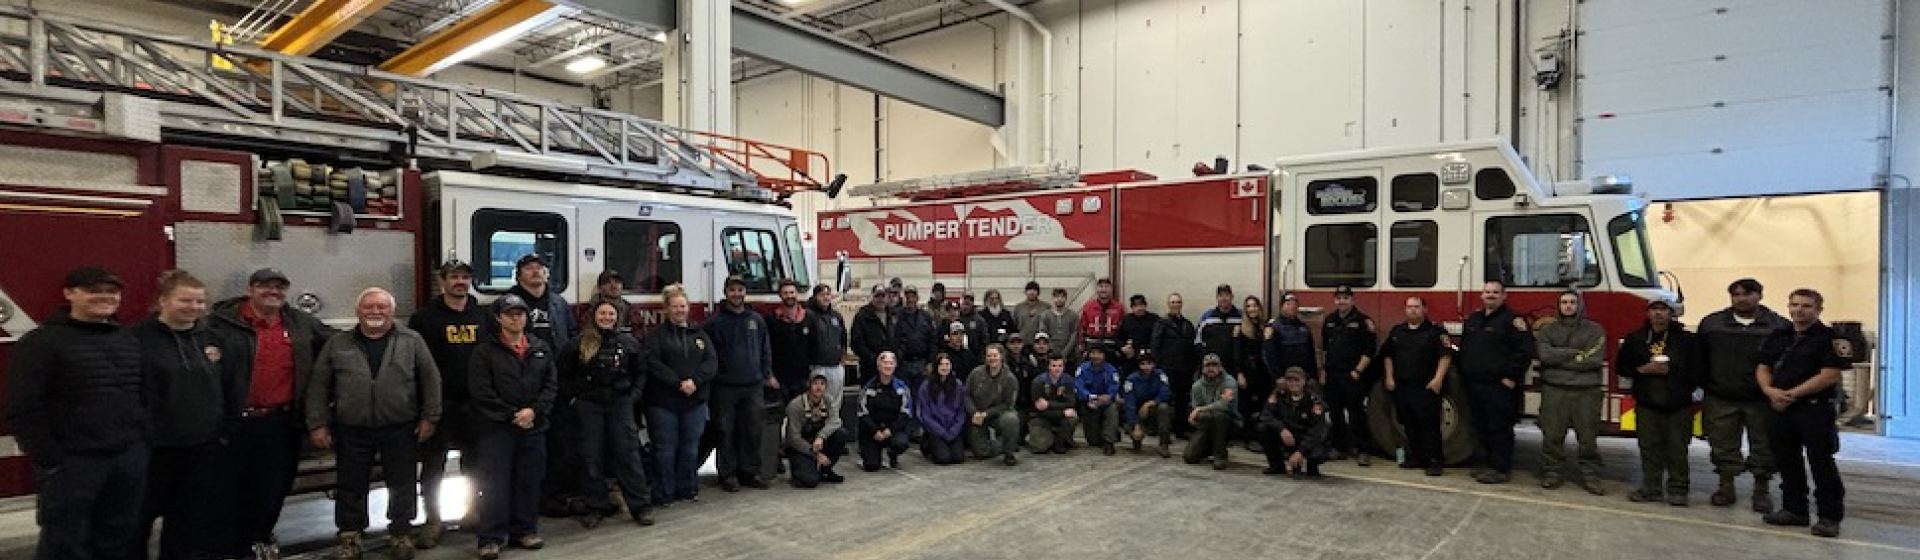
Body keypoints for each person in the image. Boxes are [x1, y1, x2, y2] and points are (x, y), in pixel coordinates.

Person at [5, 266, 147, 560]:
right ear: (70, 294)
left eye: (112, 292)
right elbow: (22, 405)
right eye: (94, 290)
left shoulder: (127, 339)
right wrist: (50, 459)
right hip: (73, 463)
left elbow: (141, 394)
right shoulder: (42, 342)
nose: (105, 297)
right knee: (65, 541)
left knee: (118, 536)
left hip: (125, 458)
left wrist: (139, 444)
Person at [210, 267, 336, 560]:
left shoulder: (299, 323)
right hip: (234, 422)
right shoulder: (221, 324)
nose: (274, 292)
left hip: (281, 422)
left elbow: (337, 341)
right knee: (228, 487)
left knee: (273, 487)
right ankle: (230, 546)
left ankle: (259, 539)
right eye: (266, 286)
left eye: (279, 287)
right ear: (250, 289)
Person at [306, 288, 441, 560]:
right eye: (369, 307)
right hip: (352, 427)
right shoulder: (338, 343)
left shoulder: (412, 340)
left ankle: (401, 533)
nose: (375, 312)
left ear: (392, 311)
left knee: (402, 483)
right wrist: (317, 423)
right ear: (358, 312)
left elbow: (431, 380)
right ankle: (350, 537)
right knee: (351, 484)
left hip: (400, 426)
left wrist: (430, 417)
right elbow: (319, 385)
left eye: (382, 307)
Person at [135, 270, 240, 560]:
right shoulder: (138, 339)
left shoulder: (212, 338)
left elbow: (229, 386)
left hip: (202, 447)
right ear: (163, 301)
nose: (194, 308)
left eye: (199, 302)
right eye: (185, 301)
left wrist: (224, 429)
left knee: (188, 520)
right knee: (138, 519)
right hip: (154, 450)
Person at [468, 295, 558, 560]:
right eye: (509, 314)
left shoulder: (540, 347)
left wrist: (533, 411)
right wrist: (512, 415)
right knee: (495, 483)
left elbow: (551, 385)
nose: (516, 318)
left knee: (529, 481)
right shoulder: (484, 351)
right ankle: (491, 538)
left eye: (520, 313)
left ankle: (525, 530)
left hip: (534, 426)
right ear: (499, 318)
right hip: (497, 428)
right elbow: (481, 392)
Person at [1756, 289, 1851, 538]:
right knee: (1787, 461)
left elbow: (1830, 375)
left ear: (1819, 309)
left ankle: (1829, 517)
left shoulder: (1830, 339)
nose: (1799, 310)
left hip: (1814, 409)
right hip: (1779, 408)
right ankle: (1794, 510)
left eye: (1807, 306)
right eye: (1794, 304)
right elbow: (1763, 366)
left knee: (1821, 463)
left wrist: (1791, 395)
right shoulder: (1779, 335)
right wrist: (1768, 390)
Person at [407, 260, 485, 546]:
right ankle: (434, 519)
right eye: (454, 277)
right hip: (438, 404)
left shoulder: (483, 316)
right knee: (433, 466)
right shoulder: (424, 319)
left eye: (465, 277)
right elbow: (416, 365)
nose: (460, 282)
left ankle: (473, 511)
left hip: (475, 404)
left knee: (475, 464)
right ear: (443, 282)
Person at [558, 301, 655, 527]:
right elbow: (562, 374)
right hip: (589, 406)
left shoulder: (629, 343)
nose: (607, 317)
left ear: (617, 317)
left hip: (620, 404)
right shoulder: (578, 344)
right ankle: (595, 506)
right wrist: (574, 399)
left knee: (628, 455)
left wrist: (633, 396)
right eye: (602, 313)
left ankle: (640, 507)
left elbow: (641, 372)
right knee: (591, 457)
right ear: (594, 316)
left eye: (611, 314)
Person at [1697, 278, 1789, 511]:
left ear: (1760, 296)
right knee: (1722, 444)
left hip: (1761, 399)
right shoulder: (1711, 324)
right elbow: (1699, 359)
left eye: (1747, 294)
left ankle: (1761, 490)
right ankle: (1726, 487)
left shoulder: (1779, 326)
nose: (1741, 299)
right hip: (1721, 395)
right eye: (1736, 294)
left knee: (1765, 446)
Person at [508, 254, 580, 516]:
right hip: (523, 385)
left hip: (557, 384)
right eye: (529, 268)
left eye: (540, 268)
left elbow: (571, 337)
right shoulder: (508, 304)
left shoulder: (558, 303)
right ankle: (524, 500)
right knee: (525, 448)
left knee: (558, 443)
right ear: (519, 275)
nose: (536, 272)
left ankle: (552, 495)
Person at [1618, 299, 1703, 507]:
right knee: (1649, 448)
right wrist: (1642, 370)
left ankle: (1678, 489)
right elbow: (1621, 367)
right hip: (1647, 404)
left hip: (1679, 404)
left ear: (1672, 313)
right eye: (1654, 309)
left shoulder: (1688, 340)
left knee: (1678, 449)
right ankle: (1651, 488)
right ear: (1648, 313)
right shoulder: (1636, 338)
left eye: (1663, 309)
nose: (1658, 314)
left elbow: (1699, 370)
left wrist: (1676, 376)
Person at [642, 284, 717, 506]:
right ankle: (663, 493)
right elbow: (652, 363)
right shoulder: (656, 336)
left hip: (694, 403)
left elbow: (711, 362)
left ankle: (687, 489)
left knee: (690, 447)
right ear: (666, 309)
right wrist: (677, 383)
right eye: (674, 307)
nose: (679, 310)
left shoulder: (700, 334)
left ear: (688, 307)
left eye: (682, 306)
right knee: (664, 449)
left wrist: (696, 382)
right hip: (663, 403)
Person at [1458, 280, 1535, 484]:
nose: (1490, 295)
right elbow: (1465, 349)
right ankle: (1485, 464)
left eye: (1495, 292)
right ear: (1481, 295)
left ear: (1504, 296)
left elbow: (1524, 351)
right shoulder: (1474, 319)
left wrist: (1511, 377)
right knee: (1480, 426)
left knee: (1499, 428)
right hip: (1475, 384)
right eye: (1487, 292)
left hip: (1499, 386)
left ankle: (1500, 468)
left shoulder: (1513, 321)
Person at [1535, 290, 1608, 495]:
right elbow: (1545, 355)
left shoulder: (1595, 330)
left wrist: (1560, 359)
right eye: (1564, 302)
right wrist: (1575, 355)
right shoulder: (1548, 330)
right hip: (1554, 391)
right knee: (1552, 435)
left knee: (1587, 438)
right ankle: (1551, 473)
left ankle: (1591, 476)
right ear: (1558, 306)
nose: (1568, 306)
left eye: (1572, 302)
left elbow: (1593, 359)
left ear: (1580, 305)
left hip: (1586, 392)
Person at [704, 276, 773, 492]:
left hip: (753, 386)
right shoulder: (714, 323)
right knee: (725, 431)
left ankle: (750, 472)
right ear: (725, 292)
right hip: (724, 388)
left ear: (745, 292)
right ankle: (728, 475)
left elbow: (765, 350)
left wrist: (764, 373)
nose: (737, 294)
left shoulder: (756, 320)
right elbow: (708, 355)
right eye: (732, 290)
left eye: (740, 289)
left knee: (753, 431)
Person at [1380, 296, 1452, 476]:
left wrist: (1438, 380)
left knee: (1429, 426)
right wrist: (1389, 377)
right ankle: (1417, 458)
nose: (1413, 310)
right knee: (1409, 425)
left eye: (1417, 307)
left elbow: (1446, 356)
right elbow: (1387, 355)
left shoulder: (1437, 332)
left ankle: (1435, 461)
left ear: (1424, 309)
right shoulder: (1397, 331)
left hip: (1426, 387)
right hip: (1403, 386)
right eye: (1409, 307)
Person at [1319, 286, 1376, 465]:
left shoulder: (1363, 321)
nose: (1341, 301)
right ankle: (1339, 447)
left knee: (1356, 413)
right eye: (1338, 298)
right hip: (1333, 374)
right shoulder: (1329, 320)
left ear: (1352, 300)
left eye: (1345, 298)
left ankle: (1362, 450)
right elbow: (1324, 349)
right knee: (1335, 414)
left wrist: (1358, 371)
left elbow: (1369, 351)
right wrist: (1323, 372)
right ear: (1335, 300)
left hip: (1352, 375)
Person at [1256, 368, 1331, 478]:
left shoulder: (1314, 400)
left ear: (1304, 381)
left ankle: (1312, 467)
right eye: (1290, 380)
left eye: (1297, 380)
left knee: (1319, 446)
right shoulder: (1279, 394)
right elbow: (1266, 414)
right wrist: (1281, 429)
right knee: (1262, 428)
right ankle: (1277, 466)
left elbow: (1317, 429)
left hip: (1306, 436)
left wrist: (1301, 451)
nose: (1293, 383)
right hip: (1288, 434)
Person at [784, 374, 850, 487]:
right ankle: (798, 471)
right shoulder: (795, 406)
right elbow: (793, 438)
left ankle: (826, 471)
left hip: (818, 442)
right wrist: (814, 454)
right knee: (810, 481)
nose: (819, 388)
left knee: (841, 434)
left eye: (822, 384)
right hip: (800, 446)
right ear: (808, 385)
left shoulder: (828, 400)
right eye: (815, 384)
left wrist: (821, 437)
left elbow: (836, 421)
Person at [1151, 293, 1199, 438]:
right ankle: (1159, 429)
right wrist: (1158, 367)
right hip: (1166, 368)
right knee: (1162, 399)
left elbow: (1192, 348)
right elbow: (1155, 346)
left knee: (1182, 401)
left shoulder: (1188, 325)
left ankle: (1180, 429)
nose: (1175, 305)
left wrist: (1191, 367)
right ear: (1168, 304)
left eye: (1178, 302)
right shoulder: (1161, 324)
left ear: (1181, 304)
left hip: (1184, 370)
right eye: (1172, 302)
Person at [966, 345, 1023, 465]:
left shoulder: (1010, 379)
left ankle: (1009, 452)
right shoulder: (975, 374)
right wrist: (974, 412)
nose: (992, 358)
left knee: (1011, 419)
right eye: (989, 356)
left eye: (995, 355)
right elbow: (966, 395)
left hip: (997, 414)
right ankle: (1000, 444)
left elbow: (1007, 405)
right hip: (978, 415)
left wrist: (986, 414)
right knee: (981, 452)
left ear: (1001, 357)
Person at [857, 352, 913, 471]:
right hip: (872, 432)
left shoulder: (902, 388)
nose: (888, 366)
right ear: (878, 366)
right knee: (871, 466)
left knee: (900, 442)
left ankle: (892, 453)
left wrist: (890, 430)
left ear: (895, 366)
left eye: (891, 363)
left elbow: (905, 413)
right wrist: (874, 431)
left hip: (892, 430)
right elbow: (862, 414)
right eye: (884, 363)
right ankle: (866, 452)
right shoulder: (868, 388)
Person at [1184, 354, 1238, 470]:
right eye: (1208, 366)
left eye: (1214, 365)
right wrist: (1200, 412)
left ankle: (1220, 455)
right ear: (1203, 368)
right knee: (1189, 457)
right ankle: (1212, 447)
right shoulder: (1197, 386)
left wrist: (1201, 409)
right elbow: (1195, 414)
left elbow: (1225, 405)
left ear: (1220, 367)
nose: (1211, 368)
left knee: (1219, 415)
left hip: (1229, 422)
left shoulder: (1229, 382)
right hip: (1206, 424)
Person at [805, 284, 851, 416]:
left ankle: (834, 428)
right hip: (818, 367)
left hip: (836, 367)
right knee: (817, 402)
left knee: (835, 403)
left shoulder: (836, 316)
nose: (825, 297)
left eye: (828, 294)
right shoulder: (808, 315)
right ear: (815, 297)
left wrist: (843, 357)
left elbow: (843, 338)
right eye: (822, 294)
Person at [766, 280, 813, 404]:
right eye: (785, 293)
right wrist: (770, 375)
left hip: (804, 378)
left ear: (797, 293)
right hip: (780, 379)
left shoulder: (809, 318)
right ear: (780, 295)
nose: (789, 296)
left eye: (792, 292)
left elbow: (814, 346)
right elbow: (766, 349)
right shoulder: (772, 319)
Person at [917, 354, 969, 465]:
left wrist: (954, 430)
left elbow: (961, 412)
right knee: (943, 459)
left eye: (947, 364)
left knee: (958, 458)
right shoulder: (926, 386)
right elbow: (924, 414)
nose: (944, 367)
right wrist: (941, 432)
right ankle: (927, 444)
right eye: (941, 364)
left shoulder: (958, 385)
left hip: (953, 429)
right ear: (936, 367)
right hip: (935, 430)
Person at [1232, 295, 1269, 447]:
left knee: (1263, 406)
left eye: (1254, 306)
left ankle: (1261, 437)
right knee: (1247, 407)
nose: (1252, 309)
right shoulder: (1240, 329)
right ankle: (1248, 438)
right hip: (1247, 373)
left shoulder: (1265, 328)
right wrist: (1239, 373)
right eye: (1248, 306)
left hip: (1263, 374)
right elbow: (1236, 354)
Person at [1122, 351, 1174, 458]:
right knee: (1133, 428)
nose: (1146, 367)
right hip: (1136, 412)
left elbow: (1166, 393)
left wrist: (1151, 403)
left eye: (1149, 363)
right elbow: (1129, 403)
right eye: (1143, 364)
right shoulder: (1131, 379)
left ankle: (1164, 444)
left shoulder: (1160, 375)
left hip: (1154, 409)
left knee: (1164, 408)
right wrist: (1135, 424)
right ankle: (1135, 436)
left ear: (1154, 364)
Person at [1262, 293, 1315, 396]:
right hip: (1283, 380)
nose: (1292, 306)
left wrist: (1313, 377)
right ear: (1281, 307)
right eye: (1288, 304)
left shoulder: (1304, 328)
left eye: (1294, 304)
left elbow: (1311, 355)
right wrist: (1278, 376)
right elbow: (1268, 355)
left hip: (1302, 379)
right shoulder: (1273, 327)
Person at [1028, 356, 1082, 455]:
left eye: (1060, 366)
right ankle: (1052, 436)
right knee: (1040, 448)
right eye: (1053, 366)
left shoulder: (1068, 380)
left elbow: (1071, 403)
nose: (1057, 369)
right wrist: (1062, 411)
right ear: (1048, 367)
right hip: (1041, 418)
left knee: (1072, 417)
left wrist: (1048, 404)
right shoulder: (1038, 382)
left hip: (1060, 417)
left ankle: (1061, 439)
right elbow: (1039, 409)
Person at [1074, 347, 1123, 455]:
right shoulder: (1082, 369)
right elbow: (1079, 387)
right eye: (1093, 353)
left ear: (1104, 355)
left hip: (1106, 403)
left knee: (1113, 409)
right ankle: (1108, 433)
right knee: (1093, 442)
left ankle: (1109, 441)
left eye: (1099, 353)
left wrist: (1104, 398)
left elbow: (1113, 389)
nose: (1096, 356)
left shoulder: (1111, 370)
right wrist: (1090, 397)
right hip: (1088, 403)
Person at [851, 284, 896, 385]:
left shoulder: (894, 315)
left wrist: (895, 357)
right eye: (877, 296)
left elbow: (902, 337)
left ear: (887, 297)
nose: (880, 299)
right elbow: (856, 343)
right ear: (872, 297)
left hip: (891, 367)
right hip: (869, 368)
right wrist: (874, 359)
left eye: (883, 296)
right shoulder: (862, 316)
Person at [895, 285, 939, 388]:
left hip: (922, 363)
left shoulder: (926, 317)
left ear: (917, 298)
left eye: (912, 296)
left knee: (921, 396)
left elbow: (933, 340)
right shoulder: (896, 316)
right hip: (903, 364)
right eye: (907, 296)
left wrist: (930, 362)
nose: (910, 299)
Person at [1195, 284, 1242, 376]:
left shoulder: (1241, 317)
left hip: (1235, 370)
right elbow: (1198, 342)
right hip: (1212, 370)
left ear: (1232, 297)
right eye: (1221, 295)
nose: (1224, 298)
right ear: (1217, 298)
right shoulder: (1207, 318)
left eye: (1227, 295)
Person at [1078, 278, 1123, 358]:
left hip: (1112, 348)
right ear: (1097, 289)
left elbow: (1123, 329)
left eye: (1106, 286)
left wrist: (1120, 348)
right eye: (1101, 286)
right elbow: (1082, 327)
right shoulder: (1088, 307)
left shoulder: (1119, 308)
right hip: (1092, 347)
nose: (1103, 289)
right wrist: (1082, 345)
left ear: (1111, 289)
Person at [1116, 294, 1159, 373]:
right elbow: (1118, 338)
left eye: (1141, 305)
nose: (1139, 308)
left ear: (1145, 306)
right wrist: (1123, 348)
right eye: (1136, 306)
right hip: (1130, 359)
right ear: (1132, 307)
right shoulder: (1127, 320)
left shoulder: (1154, 319)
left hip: (1148, 359)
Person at [582, 270, 632, 334]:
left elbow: (638, 333)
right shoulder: (590, 309)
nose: (613, 286)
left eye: (617, 282)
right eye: (608, 283)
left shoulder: (630, 308)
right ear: (599, 287)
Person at [1038, 288, 1081, 364]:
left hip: (1069, 356)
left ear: (1066, 299)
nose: (1059, 299)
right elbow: (1043, 334)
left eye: (1062, 297)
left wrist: (1065, 353)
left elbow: (1074, 335)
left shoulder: (1073, 316)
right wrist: (1053, 351)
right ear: (1053, 298)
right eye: (1057, 297)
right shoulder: (1045, 315)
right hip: (1050, 355)